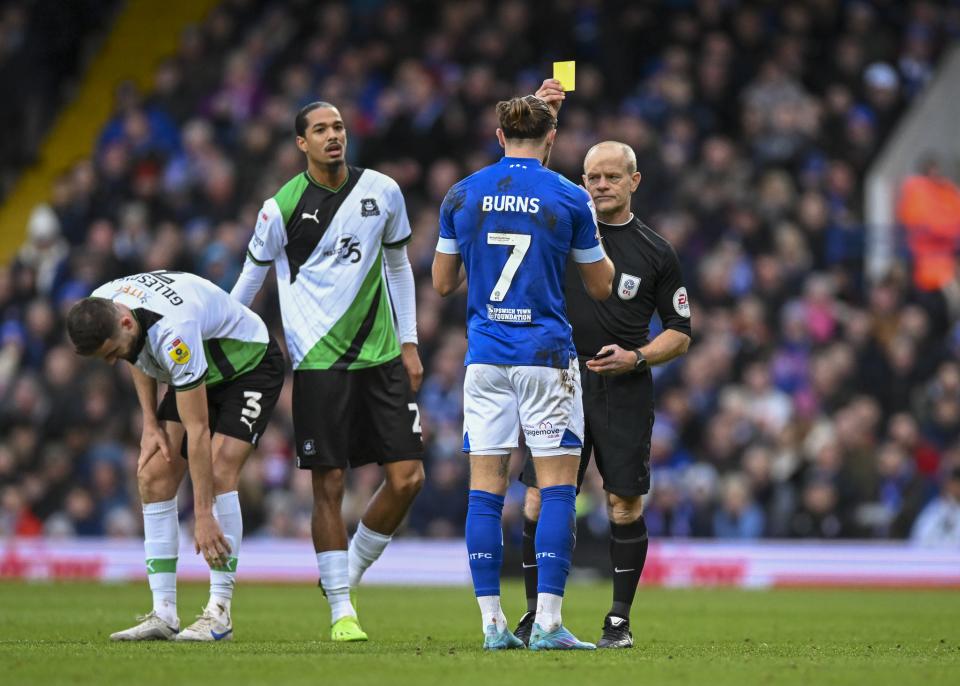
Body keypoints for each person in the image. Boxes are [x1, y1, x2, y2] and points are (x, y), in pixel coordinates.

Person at [231, 101, 424, 642]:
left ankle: (351, 569)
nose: (333, 136)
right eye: (320, 130)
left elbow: (398, 265)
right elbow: (248, 285)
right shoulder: (280, 208)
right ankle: (342, 609)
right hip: (318, 363)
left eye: (339, 126)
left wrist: (409, 342)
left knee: (409, 478)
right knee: (330, 484)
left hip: (383, 356)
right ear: (302, 144)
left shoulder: (382, 191)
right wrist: (221, 338)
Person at [514, 76, 693, 651]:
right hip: (558, 380)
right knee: (541, 497)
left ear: (634, 181)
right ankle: (535, 616)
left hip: (624, 388)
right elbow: (526, 175)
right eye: (592, 176)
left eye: (613, 176)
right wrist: (545, 112)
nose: (601, 185)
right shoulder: (562, 223)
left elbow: (681, 332)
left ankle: (618, 619)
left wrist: (637, 355)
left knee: (623, 501)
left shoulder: (656, 251)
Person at [432, 94, 615, 650]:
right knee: (558, 488)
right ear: (552, 139)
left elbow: (442, 283)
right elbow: (601, 285)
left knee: (484, 493)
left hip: (485, 357)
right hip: (544, 357)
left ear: (498, 135)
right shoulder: (569, 198)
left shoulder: (462, 195)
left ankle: (491, 626)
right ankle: (550, 625)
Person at [66, 270, 284, 641]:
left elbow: (197, 431)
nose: (111, 362)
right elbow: (137, 354)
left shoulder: (174, 330)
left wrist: (201, 515)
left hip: (247, 367)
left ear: (124, 321)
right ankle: (163, 613)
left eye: (111, 352)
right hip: (195, 370)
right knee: (153, 475)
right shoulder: (106, 299)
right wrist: (150, 422)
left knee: (218, 473)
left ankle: (220, 612)